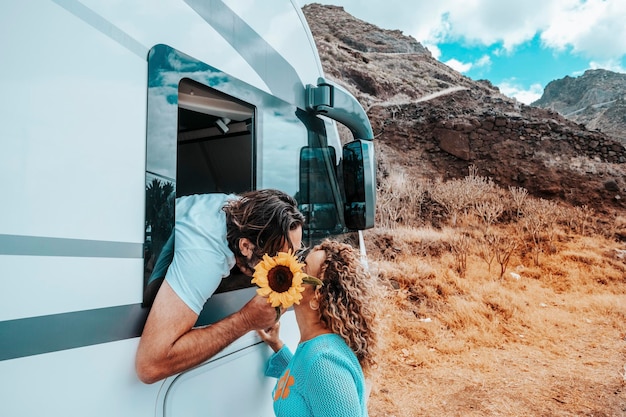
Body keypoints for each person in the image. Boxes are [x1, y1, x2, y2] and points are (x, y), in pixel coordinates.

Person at [136, 189, 305, 384]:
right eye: (279, 258)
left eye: (295, 254)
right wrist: (246, 320)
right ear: (245, 247)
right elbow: (150, 365)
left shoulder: (239, 209)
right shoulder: (204, 259)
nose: (288, 266)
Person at [257, 240, 380, 417]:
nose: (293, 270)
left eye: (303, 270)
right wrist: (277, 346)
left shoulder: (324, 363)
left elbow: (319, 374)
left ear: (317, 297)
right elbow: (304, 383)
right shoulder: (315, 349)